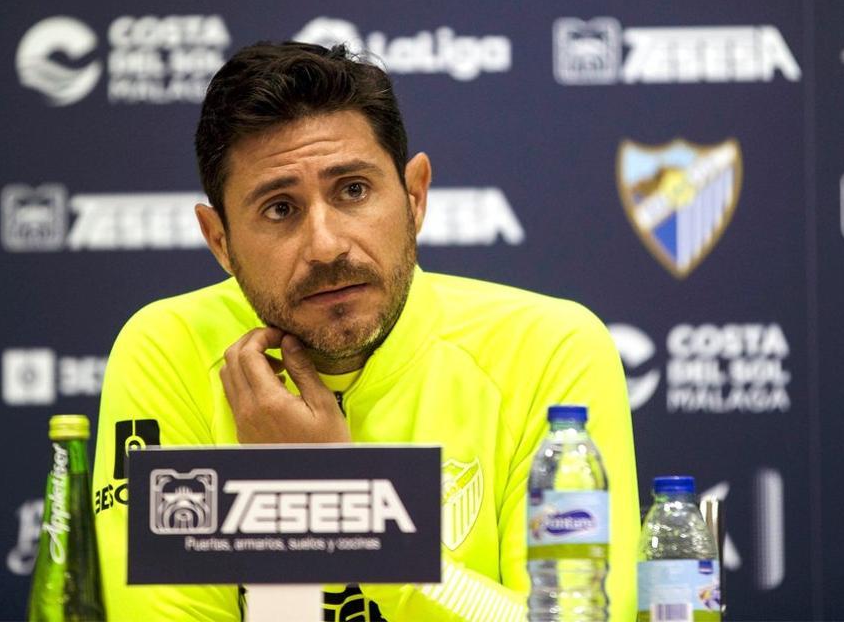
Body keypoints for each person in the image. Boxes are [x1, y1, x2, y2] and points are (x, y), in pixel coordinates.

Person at [92, 41, 638, 621]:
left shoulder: (549, 349)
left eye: (353, 190)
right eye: (280, 208)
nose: (326, 245)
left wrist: (338, 499)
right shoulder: (169, 349)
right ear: (220, 240)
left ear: (414, 196)